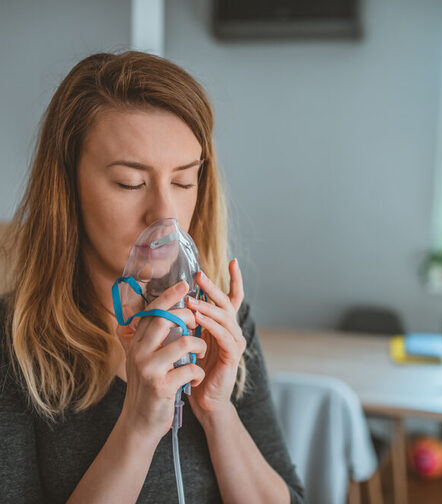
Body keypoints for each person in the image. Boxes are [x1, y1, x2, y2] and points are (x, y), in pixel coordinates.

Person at [0, 51, 305, 504]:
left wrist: (218, 412)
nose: (164, 214)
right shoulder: (16, 345)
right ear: (67, 186)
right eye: (130, 182)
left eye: (183, 182)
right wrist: (139, 426)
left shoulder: (223, 325)